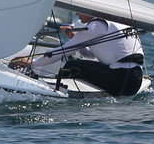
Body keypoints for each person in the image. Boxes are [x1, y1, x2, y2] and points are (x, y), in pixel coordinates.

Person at [17, 13, 145, 97]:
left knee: (72, 65)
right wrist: (74, 37)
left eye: (80, 10)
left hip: (120, 78)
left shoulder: (96, 26)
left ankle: (52, 91)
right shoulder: (115, 23)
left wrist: (33, 63)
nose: (77, 13)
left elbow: (63, 51)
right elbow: (90, 56)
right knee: (78, 65)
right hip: (135, 80)